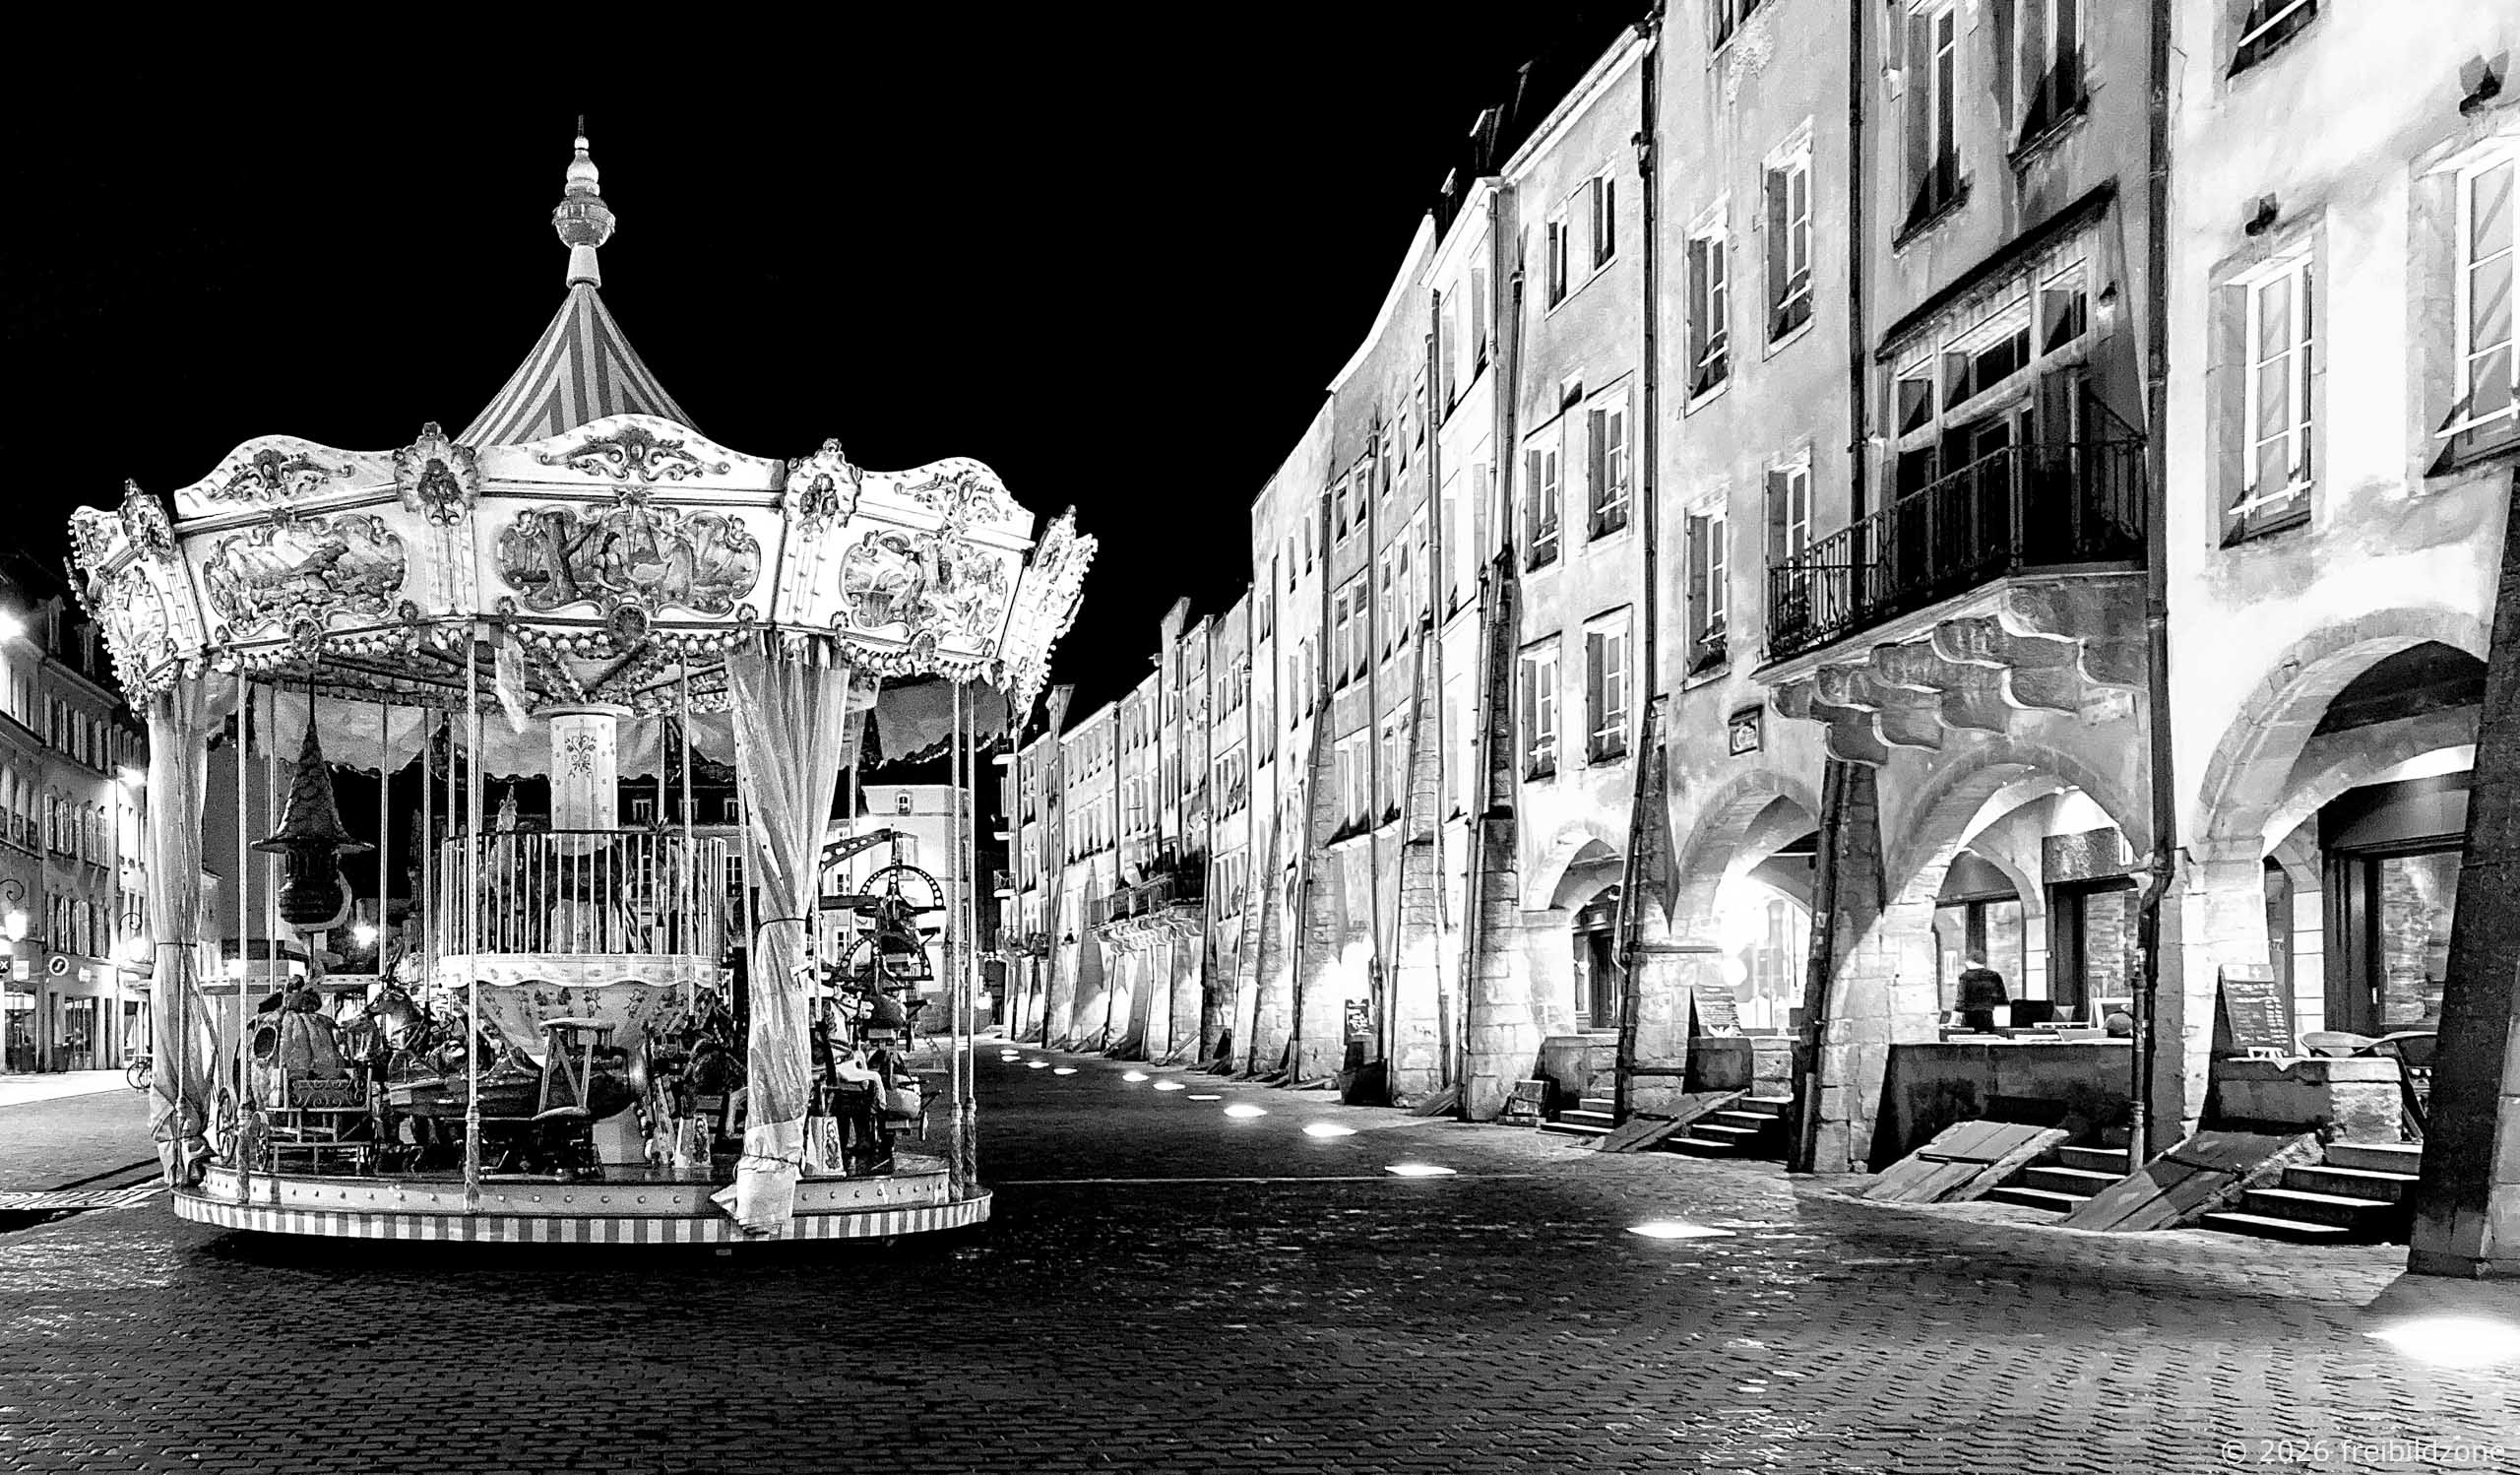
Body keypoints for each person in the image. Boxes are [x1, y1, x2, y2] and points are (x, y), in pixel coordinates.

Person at [1955, 956, 2009, 1034]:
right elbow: (2002, 999)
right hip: (1988, 1015)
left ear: (1969, 962)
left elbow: (1960, 999)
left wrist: (1955, 1018)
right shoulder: (1994, 975)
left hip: (1969, 1016)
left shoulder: (1965, 976)